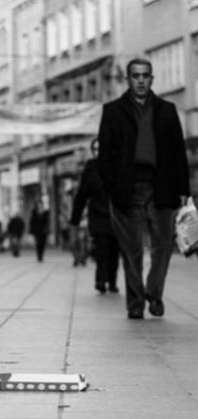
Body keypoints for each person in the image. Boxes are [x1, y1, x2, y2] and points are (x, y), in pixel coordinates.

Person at [97, 57, 190, 319]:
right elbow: (105, 154)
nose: (140, 80)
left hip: (161, 188)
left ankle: (154, 292)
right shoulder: (113, 111)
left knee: (163, 245)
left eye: (145, 75)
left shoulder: (167, 110)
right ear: (127, 80)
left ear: (152, 79)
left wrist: (183, 189)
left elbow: (178, 152)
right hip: (127, 189)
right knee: (132, 250)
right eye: (135, 76)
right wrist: (112, 186)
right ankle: (136, 303)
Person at [71, 138, 120, 293]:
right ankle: (101, 281)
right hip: (98, 216)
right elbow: (82, 194)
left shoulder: (117, 165)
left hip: (115, 215)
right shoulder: (91, 168)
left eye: (101, 148)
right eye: (96, 149)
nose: (99, 152)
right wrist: (75, 218)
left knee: (114, 249)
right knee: (102, 248)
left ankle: (112, 281)